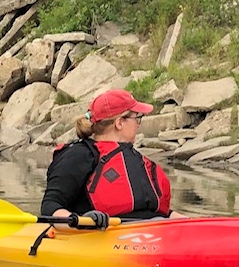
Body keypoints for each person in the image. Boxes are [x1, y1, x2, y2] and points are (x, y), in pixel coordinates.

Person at [41, 88, 172, 226]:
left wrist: (194, 223)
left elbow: (161, 213)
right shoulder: (80, 155)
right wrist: (82, 223)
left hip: (149, 231)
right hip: (98, 235)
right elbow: (50, 207)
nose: (138, 124)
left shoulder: (136, 160)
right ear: (119, 122)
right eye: (137, 118)